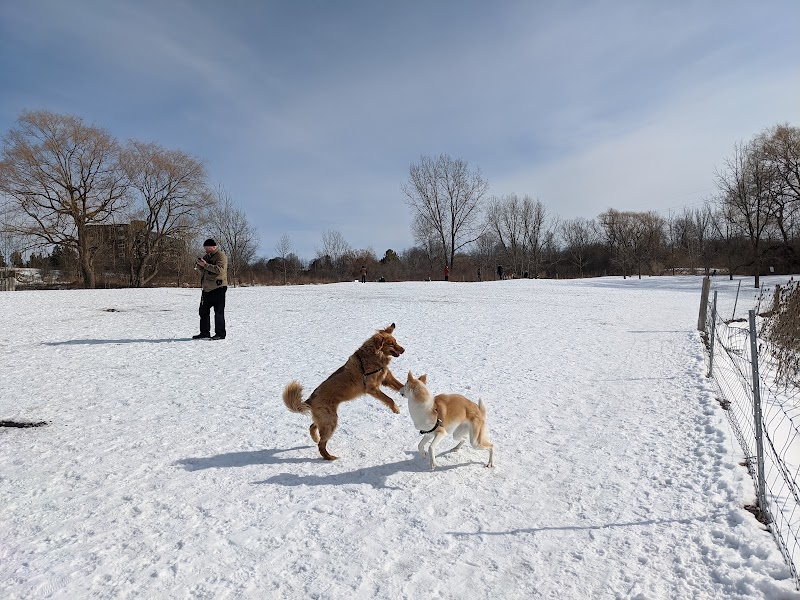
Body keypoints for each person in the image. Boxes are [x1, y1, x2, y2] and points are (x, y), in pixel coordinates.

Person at [193, 239, 228, 340]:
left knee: (218, 312)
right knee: (203, 312)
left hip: (218, 288)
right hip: (206, 289)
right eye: (204, 248)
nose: (205, 250)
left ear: (213, 247)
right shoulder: (206, 257)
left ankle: (220, 334)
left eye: (206, 248)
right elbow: (204, 270)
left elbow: (219, 270)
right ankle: (204, 333)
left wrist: (205, 265)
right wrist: (199, 265)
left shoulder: (221, 256)